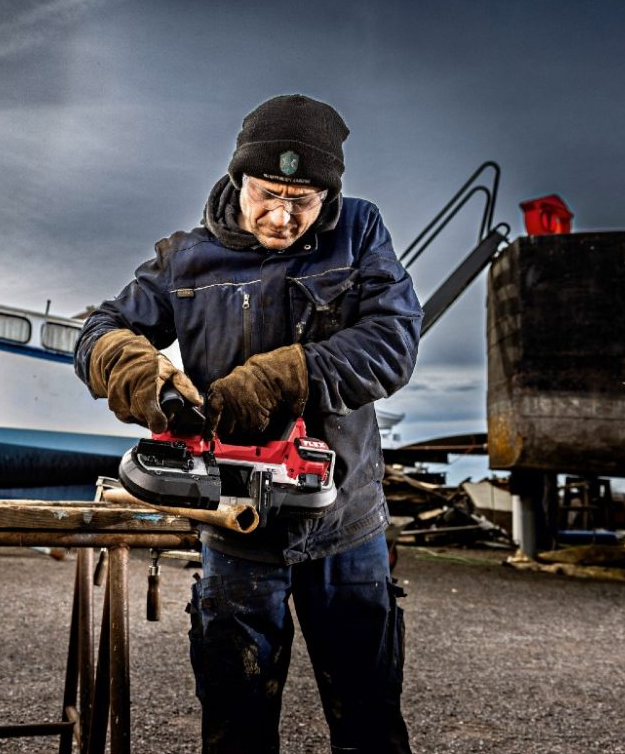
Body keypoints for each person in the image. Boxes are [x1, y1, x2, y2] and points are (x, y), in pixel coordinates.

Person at [74, 93, 422, 753]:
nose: (283, 214)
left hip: (345, 528)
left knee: (370, 725)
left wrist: (279, 378)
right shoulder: (186, 259)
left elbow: (392, 342)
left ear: (331, 196)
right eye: (267, 192)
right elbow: (99, 330)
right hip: (235, 535)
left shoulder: (361, 234)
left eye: (305, 198)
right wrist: (141, 376)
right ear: (239, 180)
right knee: (236, 729)